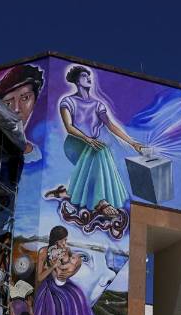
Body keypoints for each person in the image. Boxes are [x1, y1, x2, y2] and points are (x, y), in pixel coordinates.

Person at [58, 66, 144, 212]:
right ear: (77, 81)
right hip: (75, 144)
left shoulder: (97, 105)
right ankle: (100, 201)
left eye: (89, 76)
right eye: (85, 76)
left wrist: (132, 143)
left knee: (101, 149)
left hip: (93, 145)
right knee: (99, 149)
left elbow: (111, 125)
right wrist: (87, 139)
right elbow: (69, 127)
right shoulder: (68, 101)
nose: (89, 78)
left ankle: (88, 195)